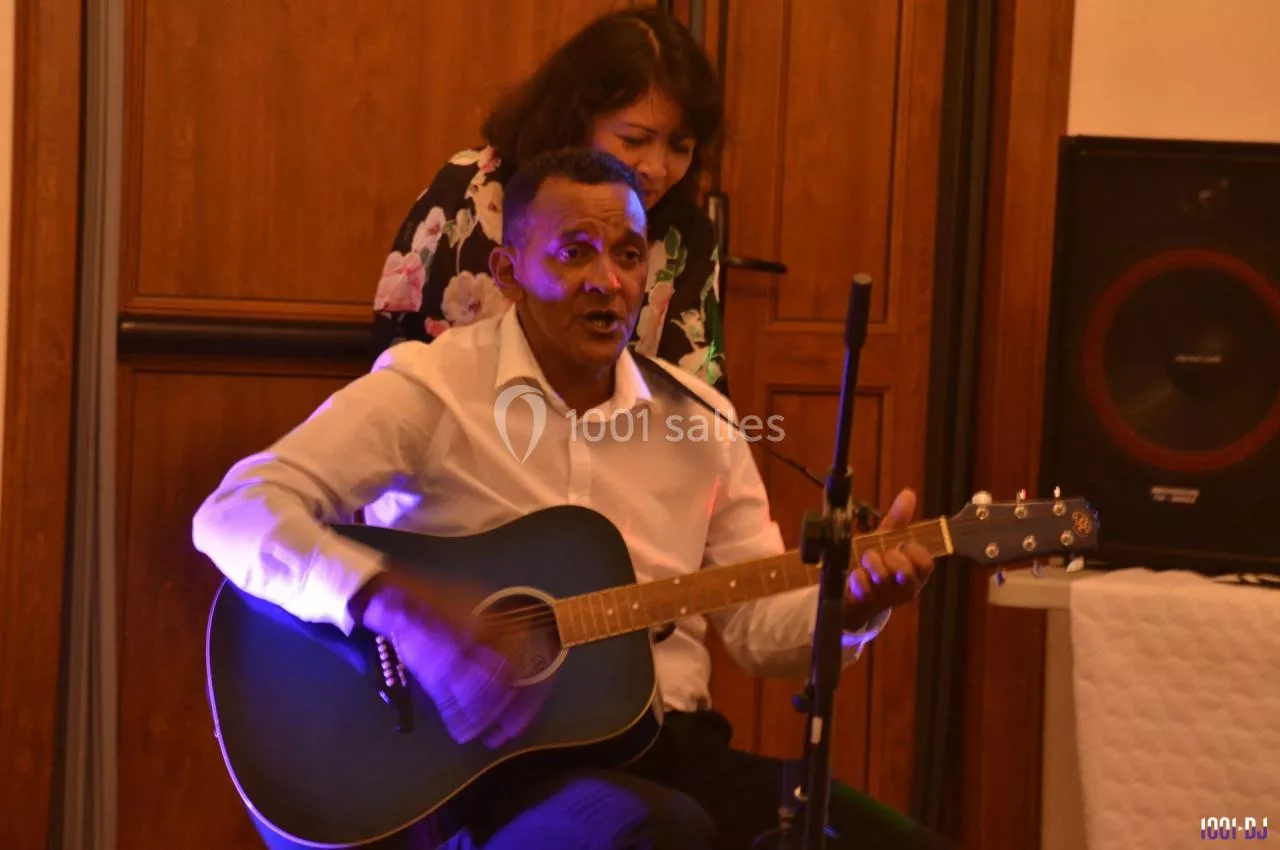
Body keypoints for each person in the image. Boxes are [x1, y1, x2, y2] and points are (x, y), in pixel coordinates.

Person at [193, 149, 948, 850]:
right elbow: (233, 513)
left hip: (669, 747)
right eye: (575, 252)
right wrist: (392, 605)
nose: (608, 281)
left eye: (628, 255)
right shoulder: (433, 390)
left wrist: (851, 607)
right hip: (481, 770)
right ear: (510, 270)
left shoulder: (704, 423)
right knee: (660, 832)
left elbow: (757, 629)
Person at [370, 5, 731, 397]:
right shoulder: (468, 190)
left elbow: (695, 398)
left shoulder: (685, 232)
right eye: (635, 140)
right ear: (576, 120)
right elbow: (397, 348)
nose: (657, 169)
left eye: (680, 147)